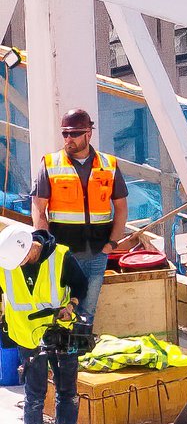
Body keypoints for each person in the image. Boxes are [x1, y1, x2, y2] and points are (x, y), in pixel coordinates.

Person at [1, 223, 92, 424]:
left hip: (60, 330)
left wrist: (71, 305)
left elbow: (81, 285)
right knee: (34, 394)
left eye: (21, 261)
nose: (18, 266)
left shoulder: (61, 256)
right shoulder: (7, 260)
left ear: (31, 247)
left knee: (67, 391)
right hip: (26, 335)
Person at [30, 107, 126, 322]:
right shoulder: (50, 163)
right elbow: (38, 208)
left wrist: (112, 244)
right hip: (64, 254)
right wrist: (46, 244)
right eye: (65, 133)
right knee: (62, 310)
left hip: (97, 253)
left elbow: (121, 207)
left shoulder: (108, 165)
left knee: (86, 314)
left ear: (88, 134)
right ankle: (63, 354)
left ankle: (80, 352)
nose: (68, 138)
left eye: (74, 133)